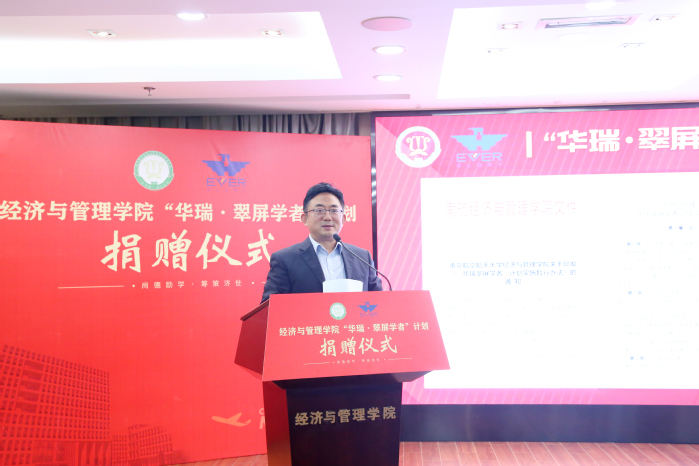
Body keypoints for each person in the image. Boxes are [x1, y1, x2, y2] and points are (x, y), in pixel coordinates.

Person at [260, 182, 383, 302]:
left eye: (334, 210)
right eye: (319, 210)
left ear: (343, 219)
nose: (327, 217)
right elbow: (270, 307)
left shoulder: (362, 258)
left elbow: (379, 302)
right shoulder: (285, 259)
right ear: (305, 219)